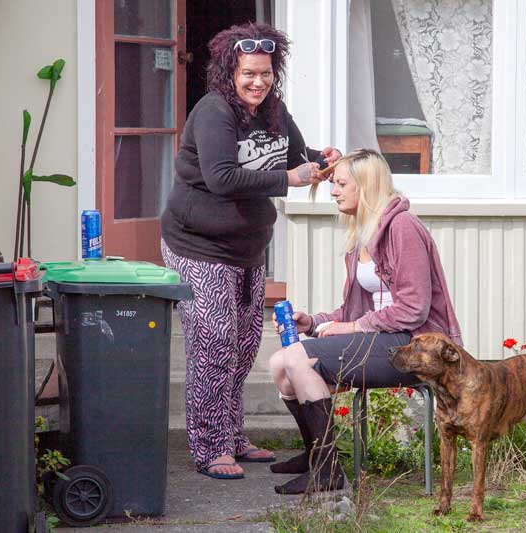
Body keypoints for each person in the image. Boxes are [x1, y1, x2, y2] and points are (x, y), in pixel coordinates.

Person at [160, 22, 341, 481]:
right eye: (248, 74)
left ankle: (234, 435)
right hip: (198, 245)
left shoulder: (274, 111)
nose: (257, 82)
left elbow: (296, 154)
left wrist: (322, 159)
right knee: (214, 344)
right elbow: (222, 177)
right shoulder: (214, 112)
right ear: (230, 72)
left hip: (247, 248)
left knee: (241, 347)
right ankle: (209, 446)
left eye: (264, 73)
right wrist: (288, 180)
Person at [268, 149, 462, 494]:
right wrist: (312, 322)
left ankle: (327, 471)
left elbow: (413, 310)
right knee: (280, 362)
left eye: (342, 184)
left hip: (415, 345)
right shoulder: (363, 234)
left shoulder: (403, 228)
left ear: (367, 186)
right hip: (385, 338)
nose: (333, 191)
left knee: (299, 359)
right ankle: (316, 454)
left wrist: (354, 328)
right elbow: (353, 312)